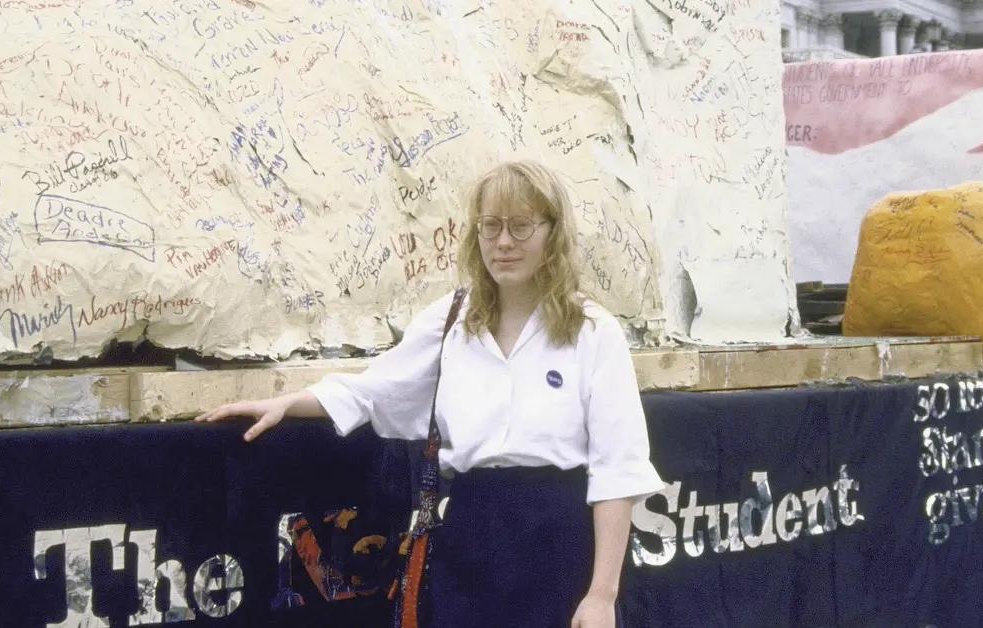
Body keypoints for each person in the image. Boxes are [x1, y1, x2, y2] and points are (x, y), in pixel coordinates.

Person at [198, 160, 663, 627]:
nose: (503, 242)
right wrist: (287, 403)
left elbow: (616, 472)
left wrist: (601, 595)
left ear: (553, 233)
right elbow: (375, 391)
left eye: (521, 226)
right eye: (491, 225)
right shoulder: (453, 322)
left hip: (559, 544)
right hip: (469, 539)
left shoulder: (593, 332)